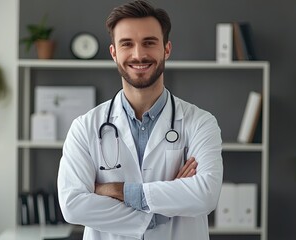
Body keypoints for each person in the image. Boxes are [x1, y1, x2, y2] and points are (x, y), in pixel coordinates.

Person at [57, 1, 223, 239]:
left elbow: (206, 194)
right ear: (114, 53)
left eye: (149, 42)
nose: (138, 54)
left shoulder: (200, 123)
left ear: (166, 49)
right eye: (127, 44)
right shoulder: (85, 127)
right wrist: (162, 209)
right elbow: (72, 205)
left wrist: (118, 190)